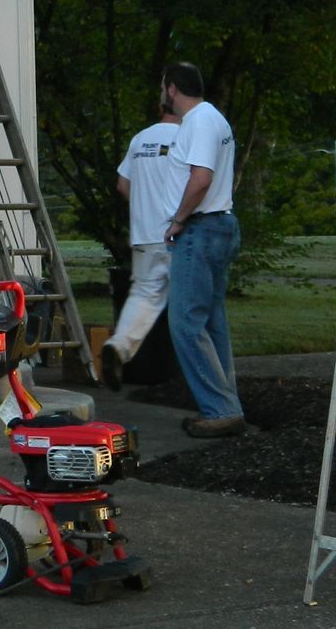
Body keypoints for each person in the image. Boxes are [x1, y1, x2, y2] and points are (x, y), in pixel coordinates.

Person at [159, 61, 244, 437]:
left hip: (201, 229)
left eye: (164, 87)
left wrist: (178, 219)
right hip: (217, 226)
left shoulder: (199, 122)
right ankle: (227, 404)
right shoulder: (213, 119)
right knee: (212, 322)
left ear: (172, 88)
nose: (163, 93)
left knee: (185, 325)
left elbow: (201, 178)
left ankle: (220, 409)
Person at [99, 107, 183, 391]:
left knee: (144, 295)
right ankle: (196, 380)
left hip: (145, 236)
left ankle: (119, 346)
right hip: (179, 233)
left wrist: (145, 206)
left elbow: (123, 185)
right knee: (191, 307)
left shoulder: (140, 139)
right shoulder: (188, 137)